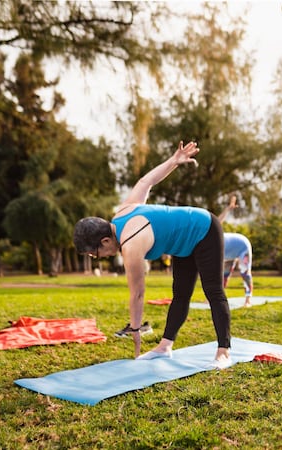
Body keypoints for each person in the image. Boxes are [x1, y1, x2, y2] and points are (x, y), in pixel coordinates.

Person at [72, 141, 232, 368]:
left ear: (105, 241)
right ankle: (165, 346)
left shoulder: (130, 245)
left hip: (204, 229)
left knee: (213, 291)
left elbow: (137, 294)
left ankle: (223, 351)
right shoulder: (123, 212)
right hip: (183, 244)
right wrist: (174, 161)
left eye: (95, 253)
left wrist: (135, 330)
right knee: (180, 293)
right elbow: (145, 182)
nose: (99, 258)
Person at [218, 196, 255, 306]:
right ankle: (218, 299)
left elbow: (218, 221)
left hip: (241, 246)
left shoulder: (210, 235)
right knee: (224, 275)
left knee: (244, 272)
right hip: (228, 253)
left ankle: (248, 300)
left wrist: (228, 208)